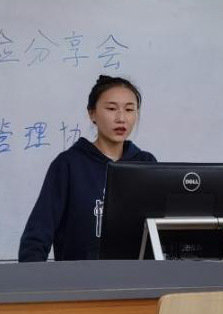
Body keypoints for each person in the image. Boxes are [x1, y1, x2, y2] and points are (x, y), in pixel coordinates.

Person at [18, 75, 156, 261]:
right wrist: (32, 275)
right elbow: (36, 236)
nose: (121, 118)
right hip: (81, 276)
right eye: (111, 108)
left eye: (129, 109)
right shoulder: (68, 165)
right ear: (92, 113)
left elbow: (159, 230)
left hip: (136, 276)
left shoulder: (146, 163)